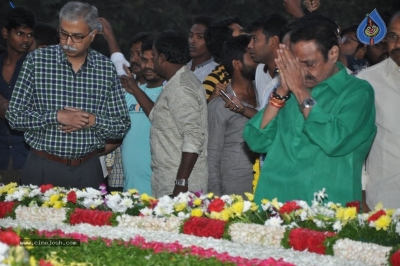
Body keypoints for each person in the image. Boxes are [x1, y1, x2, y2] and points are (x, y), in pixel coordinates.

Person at [243, 15, 376, 206]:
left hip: (327, 211)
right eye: (295, 64)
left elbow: (333, 140)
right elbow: (256, 141)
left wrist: (300, 92)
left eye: (309, 64)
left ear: (333, 53)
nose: (301, 72)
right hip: (273, 206)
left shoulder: (358, 92)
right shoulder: (284, 91)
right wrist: (281, 92)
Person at [6, 1, 130, 189]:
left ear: (93, 34)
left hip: (88, 169)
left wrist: (91, 121)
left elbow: (121, 125)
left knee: (89, 219)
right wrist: (56, 116)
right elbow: (14, 116)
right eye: (63, 34)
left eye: (77, 36)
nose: (68, 42)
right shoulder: (37, 61)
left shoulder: (105, 69)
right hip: (42, 165)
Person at [121, 31, 208, 198]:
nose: (149, 63)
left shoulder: (181, 87)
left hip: (179, 189)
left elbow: (194, 136)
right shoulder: (176, 82)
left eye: (152, 56)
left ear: (161, 58)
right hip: (168, 183)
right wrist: (135, 89)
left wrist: (181, 184)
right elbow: (157, 118)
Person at [357, 12, 400, 209]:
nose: (398, 44)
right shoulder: (367, 81)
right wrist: (362, 195)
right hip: (384, 203)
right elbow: (355, 145)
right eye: (393, 36)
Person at [207, 35, 257, 196]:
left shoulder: (267, 95)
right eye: (251, 55)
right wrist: (217, 201)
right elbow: (211, 158)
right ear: (237, 64)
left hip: (264, 190)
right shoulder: (220, 104)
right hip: (233, 196)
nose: (257, 59)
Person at [122, 37, 165, 195]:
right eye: (144, 59)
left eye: (152, 60)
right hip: (130, 186)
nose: (147, 65)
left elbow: (158, 118)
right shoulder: (129, 92)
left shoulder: (167, 92)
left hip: (157, 188)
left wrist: (135, 89)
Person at [0, 7, 35, 184]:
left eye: (30, 35)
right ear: (5, 33)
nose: (25, 40)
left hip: (27, 156)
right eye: (20, 33)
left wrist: (9, 108)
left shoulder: (37, 68)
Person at [247, 14, 287, 108]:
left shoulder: (292, 71)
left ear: (273, 41)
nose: (249, 45)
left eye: (254, 39)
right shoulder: (260, 69)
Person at [202, 16, 244, 101]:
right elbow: (203, 113)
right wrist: (212, 99)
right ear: (228, 44)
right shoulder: (213, 80)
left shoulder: (255, 68)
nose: (248, 36)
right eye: (241, 34)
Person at [187, 16, 218, 82]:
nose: (192, 40)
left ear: (211, 41)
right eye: (191, 36)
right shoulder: (181, 68)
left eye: (200, 37)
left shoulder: (216, 73)